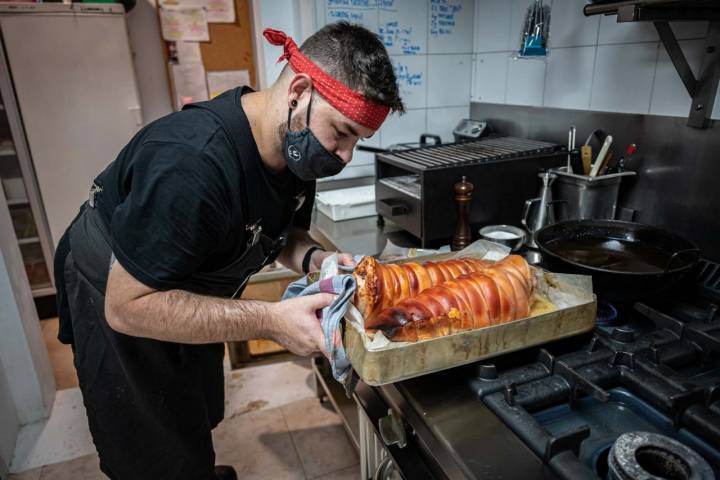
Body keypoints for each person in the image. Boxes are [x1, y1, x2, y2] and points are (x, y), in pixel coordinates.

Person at [53, 22, 404, 480]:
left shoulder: (297, 150)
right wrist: (272, 321)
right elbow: (127, 306)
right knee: (149, 446)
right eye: (342, 132)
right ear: (299, 90)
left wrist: (317, 260)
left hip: (188, 279)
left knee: (192, 407)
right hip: (117, 287)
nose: (344, 155)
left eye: (357, 140)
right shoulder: (192, 163)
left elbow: (281, 237)